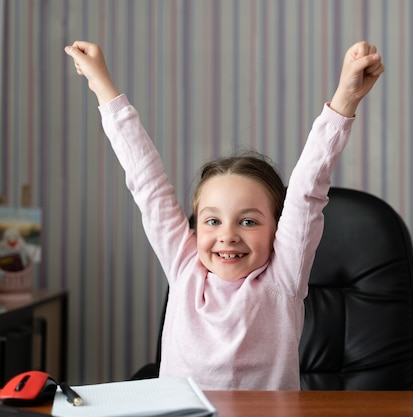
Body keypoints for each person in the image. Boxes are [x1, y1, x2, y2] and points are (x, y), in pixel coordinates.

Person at [64, 39, 384, 390]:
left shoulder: (284, 277)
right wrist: (101, 84)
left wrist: (345, 99)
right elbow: (145, 180)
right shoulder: (185, 265)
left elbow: (309, 186)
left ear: (278, 228)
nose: (227, 235)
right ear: (196, 225)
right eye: (212, 221)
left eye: (248, 221)